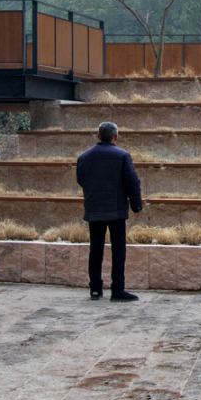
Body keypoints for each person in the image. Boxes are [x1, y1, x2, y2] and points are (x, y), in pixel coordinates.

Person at [75, 121, 142, 302]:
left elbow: (81, 180)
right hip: (116, 209)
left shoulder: (84, 157)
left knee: (95, 250)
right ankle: (117, 290)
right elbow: (132, 182)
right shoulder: (122, 156)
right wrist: (136, 206)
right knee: (118, 251)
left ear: (98, 136)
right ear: (116, 137)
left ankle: (95, 289)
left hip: (94, 208)